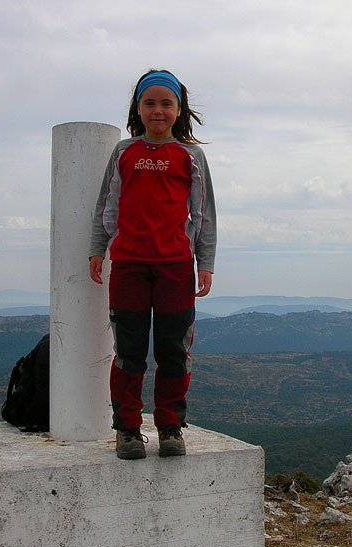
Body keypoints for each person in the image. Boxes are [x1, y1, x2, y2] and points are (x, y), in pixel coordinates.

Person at [89, 69, 217, 460]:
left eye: (166, 103)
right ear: (138, 108)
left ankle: (169, 426)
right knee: (128, 351)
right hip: (127, 264)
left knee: (174, 351)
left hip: (175, 266)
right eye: (150, 103)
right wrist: (99, 247)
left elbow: (203, 214)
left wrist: (205, 262)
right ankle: (127, 429)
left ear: (179, 109)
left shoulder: (191, 155)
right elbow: (107, 204)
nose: (157, 110)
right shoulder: (124, 152)